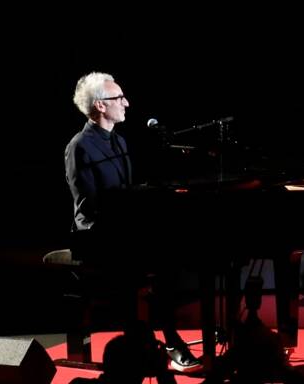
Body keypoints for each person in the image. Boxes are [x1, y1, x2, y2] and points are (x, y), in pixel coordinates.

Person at [65, 72, 203, 373]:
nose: (126, 103)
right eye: (118, 98)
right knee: (143, 258)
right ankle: (160, 341)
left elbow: (127, 194)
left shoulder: (120, 142)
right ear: (100, 106)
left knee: (172, 255)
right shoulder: (80, 146)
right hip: (95, 234)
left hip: (124, 229)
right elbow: (89, 204)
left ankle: (161, 339)